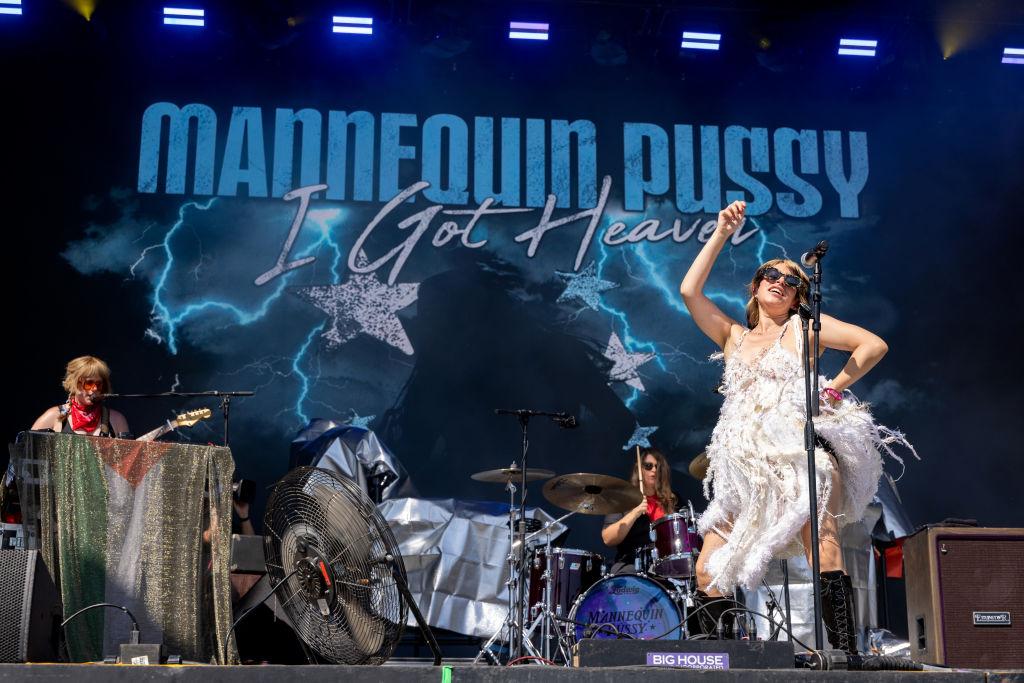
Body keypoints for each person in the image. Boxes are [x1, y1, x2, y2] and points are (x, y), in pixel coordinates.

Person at [679, 200, 914, 653]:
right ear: (755, 286)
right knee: (709, 566)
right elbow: (690, 291)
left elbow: (872, 345)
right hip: (745, 464)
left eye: (792, 281)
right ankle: (711, 659)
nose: (781, 282)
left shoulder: (804, 329)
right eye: (772, 274)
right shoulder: (733, 336)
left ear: (799, 297)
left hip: (797, 451)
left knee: (822, 546)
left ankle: (845, 657)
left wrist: (832, 391)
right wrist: (722, 232)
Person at [601, 447, 680, 574]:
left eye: (658, 467)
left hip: (667, 566)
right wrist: (634, 513)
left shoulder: (673, 499)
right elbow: (608, 539)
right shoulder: (623, 498)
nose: (654, 470)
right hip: (631, 566)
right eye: (648, 466)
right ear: (639, 469)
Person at [31, 356, 129, 437]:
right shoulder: (53, 416)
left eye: (98, 384)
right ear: (74, 383)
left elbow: (129, 454)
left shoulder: (117, 419)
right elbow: (28, 450)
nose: (95, 388)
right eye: (89, 383)